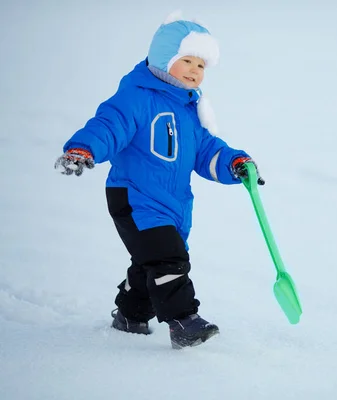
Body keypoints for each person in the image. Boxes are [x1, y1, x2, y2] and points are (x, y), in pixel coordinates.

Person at [54, 11, 264, 349]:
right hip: (134, 197)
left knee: (150, 263)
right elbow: (109, 125)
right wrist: (83, 149)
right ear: (165, 59)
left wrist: (234, 162)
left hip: (172, 204)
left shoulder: (190, 111)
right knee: (169, 261)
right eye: (189, 61)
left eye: (202, 66)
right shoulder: (137, 97)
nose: (196, 71)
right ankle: (184, 322)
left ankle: (130, 315)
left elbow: (207, 151)